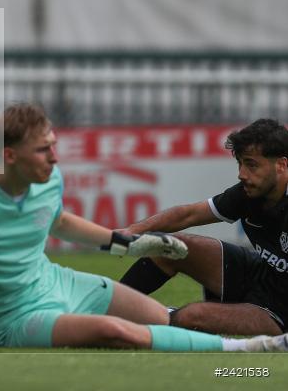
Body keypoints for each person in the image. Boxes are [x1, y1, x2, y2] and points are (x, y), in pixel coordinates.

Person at [0, 103, 288, 352]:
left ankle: (239, 342)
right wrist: (130, 238)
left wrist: (116, 242)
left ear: (282, 165)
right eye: (45, 149)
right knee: (166, 264)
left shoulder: (45, 180)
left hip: (279, 306)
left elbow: (59, 220)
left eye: (250, 165)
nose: (56, 159)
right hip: (12, 316)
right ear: (11, 156)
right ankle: (217, 339)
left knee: (172, 320)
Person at [120, 118, 288, 336]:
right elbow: (188, 215)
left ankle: (126, 321)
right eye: (240, 163)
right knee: (170, 248)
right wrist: (131, 231)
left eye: (251, 164)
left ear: (282, 165)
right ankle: (107, 305)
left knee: (191, 317)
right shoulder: (248, 193)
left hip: (281, 312)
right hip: (262, 275)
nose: (242, 174)